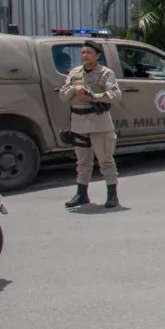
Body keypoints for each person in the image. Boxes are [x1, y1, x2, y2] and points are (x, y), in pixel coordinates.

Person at [58, 39, 122, 209]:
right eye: (83, 52)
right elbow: (63, 95)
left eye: (89, 53)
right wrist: (74, 89)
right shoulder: (75, 73)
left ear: (97, 56)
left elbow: (115, 95)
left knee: (105, 160)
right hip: (79, 123)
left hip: (99, 122)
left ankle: (112, 195)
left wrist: (94, 96)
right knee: (82, 161)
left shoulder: (105, 73)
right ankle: (81, 194)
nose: (85, 55)